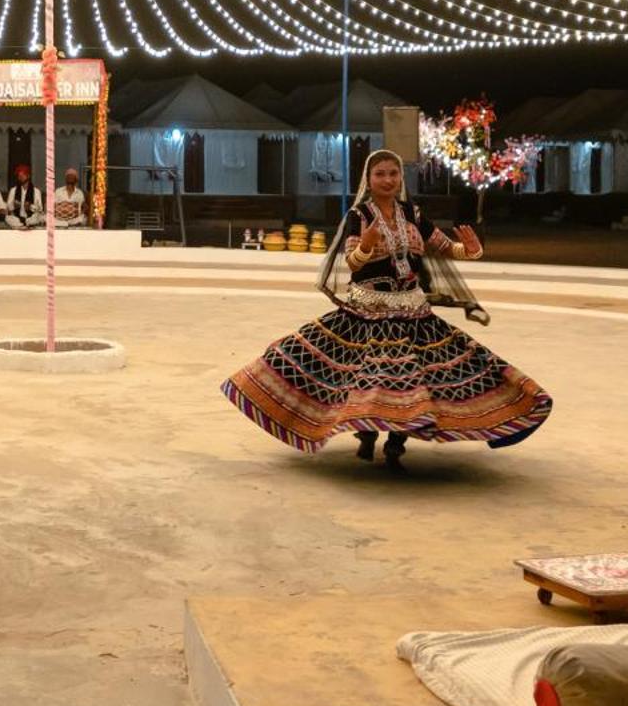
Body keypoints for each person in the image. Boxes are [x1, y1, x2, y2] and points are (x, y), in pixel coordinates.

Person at [220, 148, 550, 468]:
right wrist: (365, 246)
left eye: (393, 173)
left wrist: (472, 251)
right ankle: (365, 434)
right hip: (367, 313)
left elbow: (445, 247)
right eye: (381, 174)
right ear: (369, 178)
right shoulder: (359, 216)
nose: (388, 180)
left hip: (413, 313)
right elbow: (350, 261)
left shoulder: (412, 214)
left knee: (411, 379)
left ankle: (396, 442)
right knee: (365, 377)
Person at [5, 163, 45, 229]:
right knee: (8, 218)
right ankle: (20, 225)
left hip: (31, 218)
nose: (20, 178)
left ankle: (25, 224)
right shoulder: (13, 190)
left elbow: (40, 209)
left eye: (22, 175)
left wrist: (30, 207)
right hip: (17, 219)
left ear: (28, 176)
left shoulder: (36, 191)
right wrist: (14, 205)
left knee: (40, 217)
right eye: (19, 176)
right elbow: (9, 208)